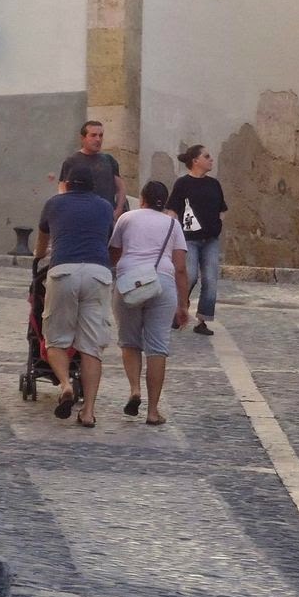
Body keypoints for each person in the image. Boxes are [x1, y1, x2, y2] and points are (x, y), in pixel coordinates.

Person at [34, 163, 114, 428]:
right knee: (91, 347)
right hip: (97, 273)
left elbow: (42, 242)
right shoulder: (104, 207)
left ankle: (66, 384)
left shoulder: (54, 204)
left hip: (64, 271)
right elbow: (106, 238)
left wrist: (38, 257)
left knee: (55, 339)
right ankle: (88, 412)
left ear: (66, 184)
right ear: (92, 186)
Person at [109, 181, 189, 426]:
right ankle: (153, 411)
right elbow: (181, 267)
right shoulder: (173, 224)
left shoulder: (126, 219)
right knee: (158, 347)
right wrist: (183, 305)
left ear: (142, 199)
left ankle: (135, 390)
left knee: (129, 342)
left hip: (130, 283)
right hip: (162, 283)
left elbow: (114, 253)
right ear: (164, 202)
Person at [166, 144, 227, 336]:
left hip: (211, 240)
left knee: (210, 279)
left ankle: (203, 320)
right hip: (189, 239)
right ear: (195, 161)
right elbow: (172, 210)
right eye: (206, 156)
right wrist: (172, 234)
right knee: (189, 275)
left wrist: (218, 224)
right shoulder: (182, 183)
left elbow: (222, 209)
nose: (211, 159)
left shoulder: (214, 184)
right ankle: (179, 308)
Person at [58, 120, 127, 221]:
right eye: (93, 135)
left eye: (101, 135)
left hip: (106, 217)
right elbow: (63, 189)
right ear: (83, 138)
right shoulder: (72, 161)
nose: (98, 139)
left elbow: (121, 188)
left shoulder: (109, 160)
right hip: (81, 218)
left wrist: (118, 211)